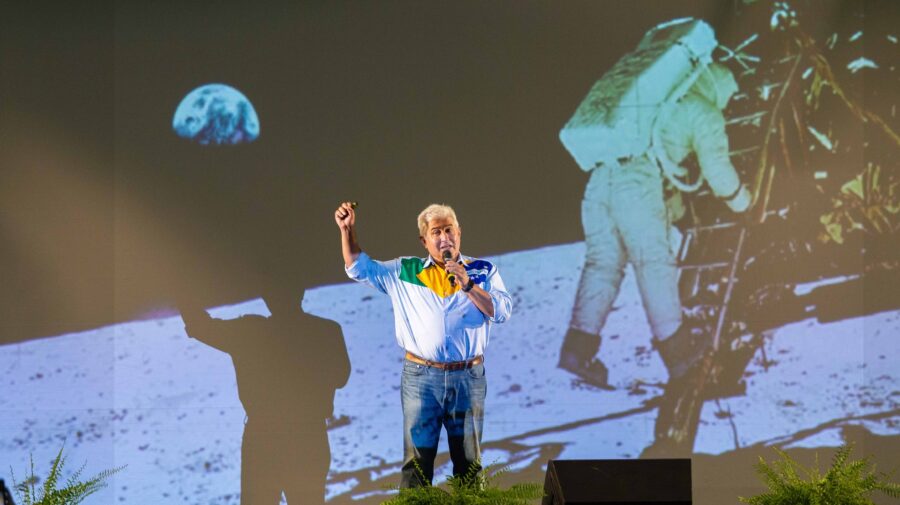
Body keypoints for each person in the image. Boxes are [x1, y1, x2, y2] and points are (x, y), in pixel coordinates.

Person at [558, 63, 751, 388]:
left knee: (602, 265)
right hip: (636, 181)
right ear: (720, 89)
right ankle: (677, 350)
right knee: (653, 262)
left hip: (600, 179)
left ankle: (578, 349)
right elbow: (717, 169)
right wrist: (744, 203)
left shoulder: (660, 100)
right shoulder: (702, 109)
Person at [334, 202, 512, 488]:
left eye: (449, 230)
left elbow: (502, 311)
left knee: (469, 463)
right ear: (424, 240)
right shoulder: (405, 270)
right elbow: (358, 266)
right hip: (421, 378)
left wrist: (467, 284)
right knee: (417, 464)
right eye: (436, 231)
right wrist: (347, 230)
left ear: (459, 232)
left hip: (467, 377)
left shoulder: (482, 270)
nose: (444, 238)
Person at [179, 290, 350, 504]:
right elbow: (341, 377)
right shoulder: (327, 330)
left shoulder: (249, 331)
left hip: (263, 438)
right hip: (308, 436)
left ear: (267, 298)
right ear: (300, 292)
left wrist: (180, 293)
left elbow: (200, 326)